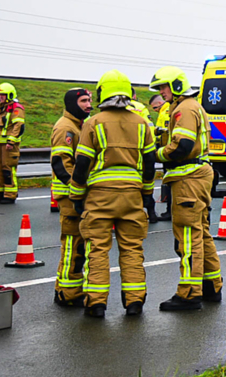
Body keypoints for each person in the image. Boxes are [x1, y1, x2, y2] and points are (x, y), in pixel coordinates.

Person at [69, 71, 155, 319]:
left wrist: (76, 196)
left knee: (97, 249)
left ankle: (96, 304)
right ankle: (135, 302)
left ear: (101, 93)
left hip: (99, 196)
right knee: (132, 249)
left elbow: (83, 163)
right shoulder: (141, 123)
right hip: (132, 195)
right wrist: (147, 194)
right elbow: (149, 163)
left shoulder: (93, 123)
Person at [149, 65, 222, 310]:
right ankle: (212, 286)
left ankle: (189, 294)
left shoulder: (184, 109)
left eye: (164, 87)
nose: (161, 92)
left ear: (177, 86)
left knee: (188, 237)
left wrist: (156, 154)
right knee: (201, 232)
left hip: (188, 177)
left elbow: (182, 146)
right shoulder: (188, 107)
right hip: (196, 176)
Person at [50, 88, 92, 308]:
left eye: (90, 100)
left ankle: (67, 288)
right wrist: (76, 190)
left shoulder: (78, 125)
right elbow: (60, 163)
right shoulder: (66, 127)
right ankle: (68, 293)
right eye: (84, 101)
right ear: (72, 104)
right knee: (73, 246)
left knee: (78, 246)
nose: (88, 104)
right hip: (69, 196)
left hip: (75, 195)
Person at [0, 83, 25, 204]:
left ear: (9, 95)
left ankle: (10, 195)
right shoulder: (2, 109)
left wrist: (11, 141)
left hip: (9, 146)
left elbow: (18, 126)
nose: (0, 98)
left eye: (2, 95)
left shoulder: (16, 108)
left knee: (7, 169)